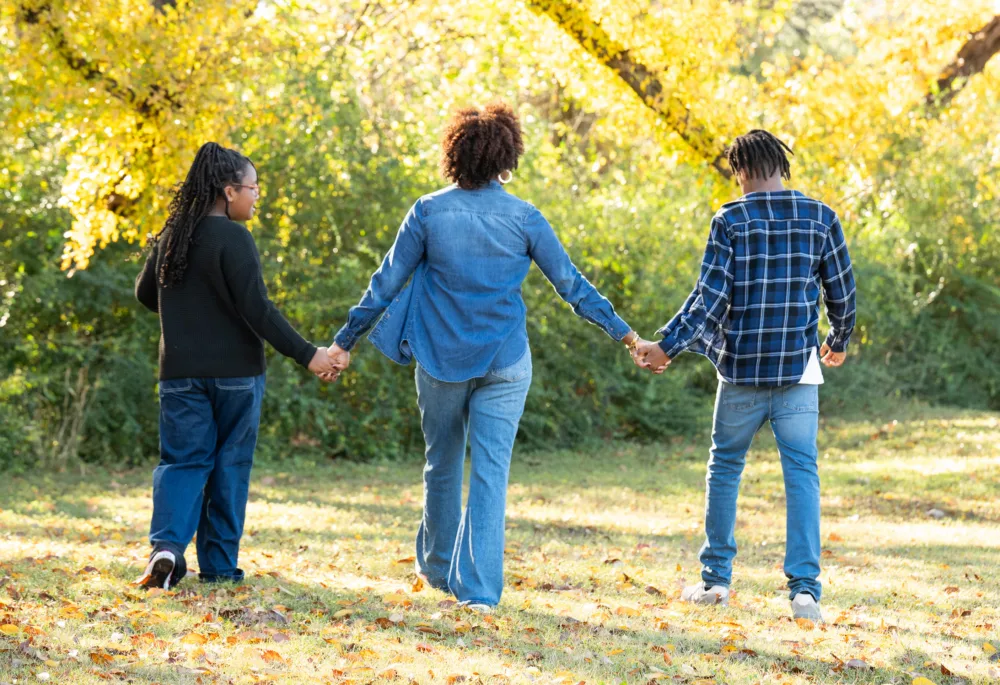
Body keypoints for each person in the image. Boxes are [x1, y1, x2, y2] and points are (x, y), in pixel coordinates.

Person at [325, 102, 648, 612]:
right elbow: (572, 286)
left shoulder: (428, 211)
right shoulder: (524, 217)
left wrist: (344, 342)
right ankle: (477, 594)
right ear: (507, 155)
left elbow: (384, 284)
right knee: (490, 472)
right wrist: (628, 337)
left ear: (454, 153)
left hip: (439, 358)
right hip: (506, 361)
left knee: (443, 463)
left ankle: (435, 571)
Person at [637, 129, 856, 622]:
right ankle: (804, 593)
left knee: (725, 468)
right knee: (802, 474)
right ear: (782, 165)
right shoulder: (822, 217)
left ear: (739, 171)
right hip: (799, 371)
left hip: (741, 372)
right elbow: (842, 291)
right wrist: (838, 340)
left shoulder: (731, 219)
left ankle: (715, 581)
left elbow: (709, 300)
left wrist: (665, 345)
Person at [134, 142, 341, 589]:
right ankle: (220, 569)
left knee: (183, 462)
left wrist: (187, 303)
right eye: (253, 188)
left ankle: (167, 548)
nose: (257, 196)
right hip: (236, 378)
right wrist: (310, 355)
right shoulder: (234, 238)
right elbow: (258, 310)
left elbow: (146, 296)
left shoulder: (172, 236)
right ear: (229, 191)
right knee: (228, 468)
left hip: (180, 375)